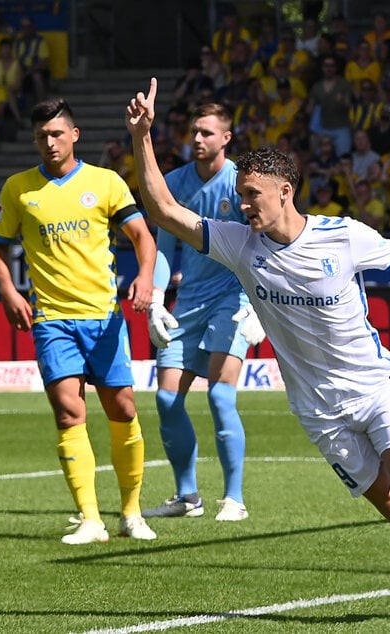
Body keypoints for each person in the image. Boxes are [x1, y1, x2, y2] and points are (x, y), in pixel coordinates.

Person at [125, 78, 390, 621]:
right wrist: (142, 137)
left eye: (251, 193)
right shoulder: (238, 243)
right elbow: (161, 209)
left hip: (372, 387)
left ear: (284, 191)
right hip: (318, 410)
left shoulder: (341, 236)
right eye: (239, 194)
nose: (241, 202)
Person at [0, 96, 158, 545]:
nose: (50, 142)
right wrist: (8, 291)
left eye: (57, 134)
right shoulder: (18, 188)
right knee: (69, 412)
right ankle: (89, 518)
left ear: (75, 135)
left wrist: (145, 278)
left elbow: (142, 236)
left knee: (122, 407)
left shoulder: (105, 183)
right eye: (42, 136)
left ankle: (131, 512)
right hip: (52, 319)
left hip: (104, 317)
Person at [141, 102, 265, 523]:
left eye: (207, 133)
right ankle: (187, 496)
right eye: (194, 131)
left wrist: (260, 305)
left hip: (234, 297)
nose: (197, 139)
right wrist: (157, 298)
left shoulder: (240, 183)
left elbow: (263, 240)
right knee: (165, 397)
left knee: (219, 394)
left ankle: (234, 498)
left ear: (226, 138)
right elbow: (165, 245)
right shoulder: (175, 182)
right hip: (188, 300)